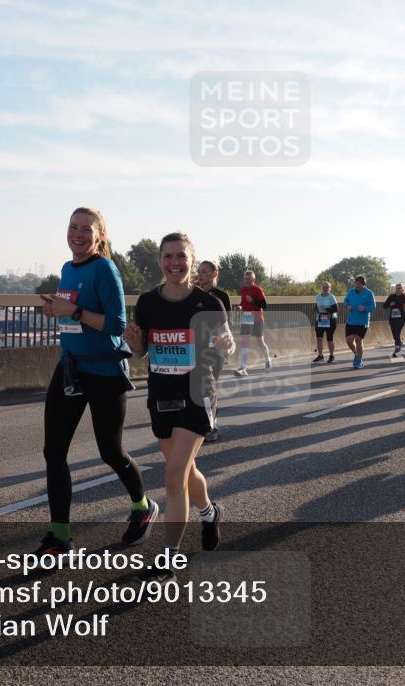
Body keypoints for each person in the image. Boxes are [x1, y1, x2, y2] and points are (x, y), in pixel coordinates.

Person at [35, 208, 157, 555]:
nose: (77, 234)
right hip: (71, 368)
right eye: (73, 227)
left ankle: (142, 507)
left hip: (105, 371)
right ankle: (60, 537)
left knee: (110, 452)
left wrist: (72, 311)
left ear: (100, 235)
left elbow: (116, 325)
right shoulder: (67, 269)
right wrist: (56, 309)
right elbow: (71, 314)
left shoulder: (105, 269)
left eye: (86, 229)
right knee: (53, 452)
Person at [125, 233, 234, 580]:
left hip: (198, 395)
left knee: (173, 476)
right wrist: (134, 342)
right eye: (168, 256)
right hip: (162, 395)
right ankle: (210, 513)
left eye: (181, 256)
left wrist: (226, 344)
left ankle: (168, 559)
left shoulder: (208, 303)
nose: (175, 263)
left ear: (192, 260)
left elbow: (227, 347)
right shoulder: (147, 303)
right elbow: (141, 352)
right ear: (160, 261)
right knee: (185, 471)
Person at [196, 260, 231, 442]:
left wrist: (225, 342)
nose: (200, 275)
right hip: (199, 348)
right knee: (203, 387)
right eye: (199, 271)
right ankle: (204, 424)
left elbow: (227, 324)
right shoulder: (193, 293)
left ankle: (212, 423)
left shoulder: (221, 296)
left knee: (211, 387)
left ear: (214, 274)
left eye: (204, 271)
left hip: (216, 348)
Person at [235, 271, 271, 376]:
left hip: (257, 318)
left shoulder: (258, 290)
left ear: (253, 280)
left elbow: (264, 305)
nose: (247, 281)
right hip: (247, 317)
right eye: (246, 279)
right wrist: (240, 306)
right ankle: (243, 368)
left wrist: (253, 301)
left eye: (249, 279)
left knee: (260, 342)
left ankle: (267, 359)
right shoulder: (243, 290)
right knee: (244, 342)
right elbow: (243, 302)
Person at [343, 275, 376, 369]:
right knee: (349, 341)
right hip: (351, 321)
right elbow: (345, 301)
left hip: (363, 321)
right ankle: (356, 355)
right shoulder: (351, 291)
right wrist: (347, 306)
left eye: (359, 284)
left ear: (363, 284)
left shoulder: (369, 293)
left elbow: (373, 307)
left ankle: (359, 360)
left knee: (358, 340)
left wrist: (364, 308)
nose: (357, 285)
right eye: (356, 283)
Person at [313, 281, 339, 363]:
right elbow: (317, 307)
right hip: (320, 319)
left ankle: (331, 355)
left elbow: (336, 309)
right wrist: (315, 309)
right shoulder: (318, 297)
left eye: (327, 287)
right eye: (324, 287)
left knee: (329, 338)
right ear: (321, 288)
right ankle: (320, 356)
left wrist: (327, 309)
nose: (325, 288)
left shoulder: (331, 297)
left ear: (329, 289)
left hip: (330, 319)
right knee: (319, 338)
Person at [382, 284, 405, 357]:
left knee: (397, 332)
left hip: (401, 318)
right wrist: (390, 304)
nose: (397, 289)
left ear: (402, 289)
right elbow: (384, 306)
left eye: (399, 288)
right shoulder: (391, 296)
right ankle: (399, 342)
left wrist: (404, 307)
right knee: (394, 334)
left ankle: (396, 349)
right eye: (396, 288)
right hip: (392, 318)